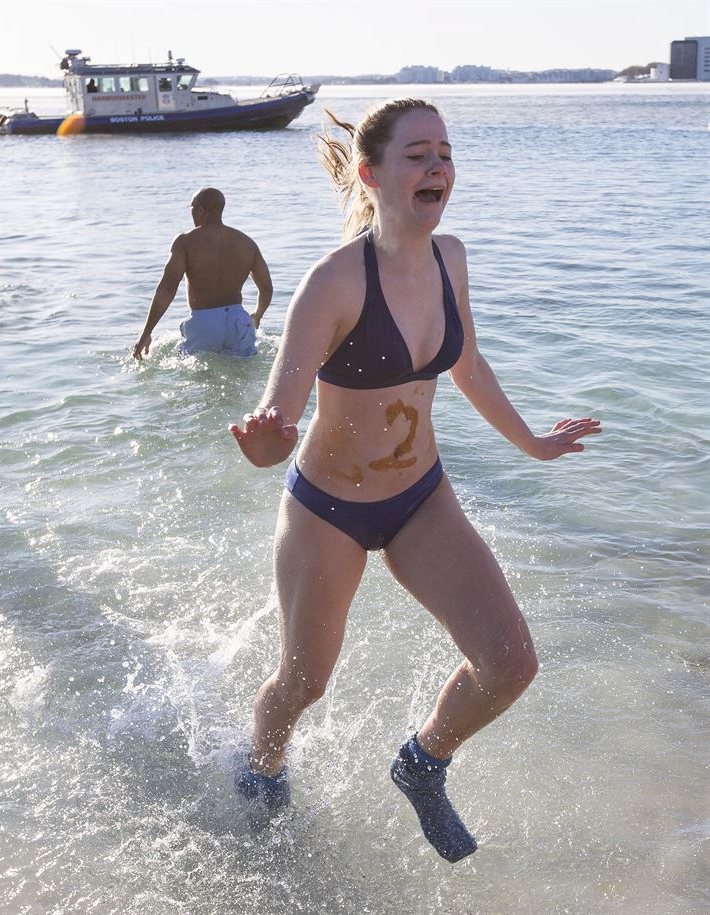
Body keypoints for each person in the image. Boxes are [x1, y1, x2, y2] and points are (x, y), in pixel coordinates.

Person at [228, 100, 601, 862]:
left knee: (511, 661)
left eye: (446, 153)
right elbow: (277, 419)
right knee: (301, 684)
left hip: (419, 497)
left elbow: (466, 365)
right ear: (371, 175)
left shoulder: (449, 257)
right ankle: (261, 773)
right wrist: (263, 444)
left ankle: (423, 761)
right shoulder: (332, 283)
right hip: (327, 510)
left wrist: (532, 441)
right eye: (417, 154)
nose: (438, 166)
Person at [132, 187, 272, 360]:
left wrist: (147, 332)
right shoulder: (247, 243)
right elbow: (266, 288)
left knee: (194, 376)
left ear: (200, 210)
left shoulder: (185, 242)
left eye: (190, 207)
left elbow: (166, 289)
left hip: (203, 321)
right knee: (243, 376)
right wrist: (257, 315)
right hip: (238, 321)